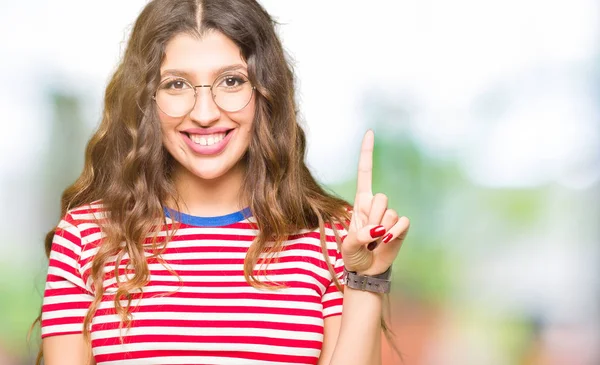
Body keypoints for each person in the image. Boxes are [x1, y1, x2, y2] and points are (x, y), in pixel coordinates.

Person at [37, 0, 410, 364]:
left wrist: (366, 277)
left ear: (266, 92)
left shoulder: (330, 238)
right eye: (176, 84)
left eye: (231, 81)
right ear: (145, 100)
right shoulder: (86, 237)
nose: (204, 113)